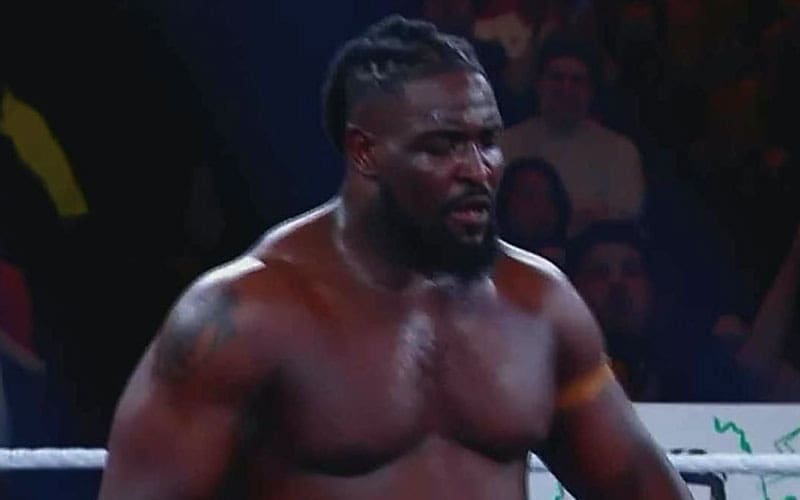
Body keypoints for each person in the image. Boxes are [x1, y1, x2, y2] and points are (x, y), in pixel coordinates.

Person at [99, 15, 690, 500]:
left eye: (487, 141)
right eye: (442, 146)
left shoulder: (536, 303)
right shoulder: (245, 316)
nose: (477, 170)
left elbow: (639, 488)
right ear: (365, 153)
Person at [500, 33, 646, 235]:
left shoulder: (621, 151)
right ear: (539, 85)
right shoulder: (506, 144)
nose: (566, 89)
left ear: (591, 92)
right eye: (557, 78)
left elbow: (625, 219)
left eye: (577, 81)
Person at [495, 156, 572, 267]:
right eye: (529, 195)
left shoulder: (577, 262)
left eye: (548, 196)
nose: (541, 205)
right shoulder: (490, 264)